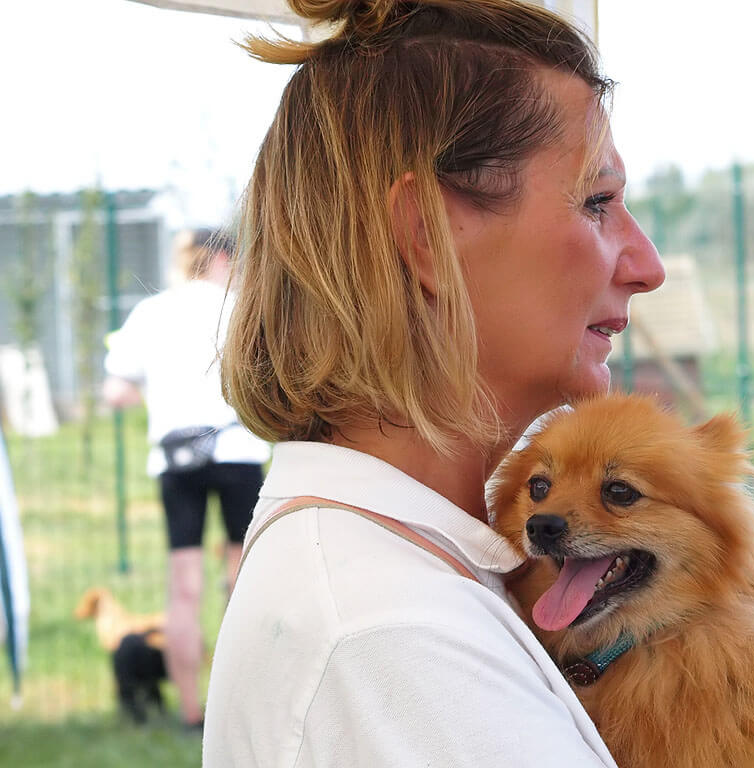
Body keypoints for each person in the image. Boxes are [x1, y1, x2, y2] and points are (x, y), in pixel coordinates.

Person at [203, 0, 665, 765]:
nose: (647, 265)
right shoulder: (389, 636)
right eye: (596, 202)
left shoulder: (405, 575)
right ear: (427, 234)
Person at [103, 227, 270, 729]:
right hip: (237, 450)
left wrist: (159, 398)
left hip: (176, 458)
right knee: (241, 579)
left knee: (184, 586)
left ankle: (190, 710)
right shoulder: (241, 307)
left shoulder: (151, 311)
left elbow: (116, 392)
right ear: (221, 258)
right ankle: (241, 706)